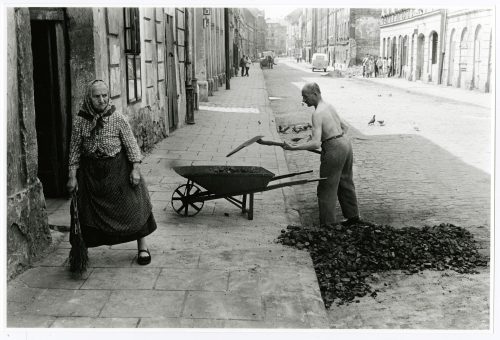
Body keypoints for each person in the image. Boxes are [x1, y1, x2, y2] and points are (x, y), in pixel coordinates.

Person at [67, 79, 157, 265]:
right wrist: (72, 176)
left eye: (104, 95)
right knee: (84, 212)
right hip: (91, 175)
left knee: (134, 206)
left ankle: (143, 247)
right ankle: (80, 251)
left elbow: (132, 146)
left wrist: (135, 170)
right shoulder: (80, 121)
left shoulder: (117, 118)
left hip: (118, 171)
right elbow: (74, 150)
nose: (101, 100)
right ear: (89, 98)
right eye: (96, 96)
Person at [282, 83, 361, 226]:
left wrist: (294, 147)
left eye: (305, 97)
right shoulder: (329, 106)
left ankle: (327, 225)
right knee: (346, 182)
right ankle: (353, 217)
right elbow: (345, 127)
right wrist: (333, 138)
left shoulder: (317, 113)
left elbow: (316, 144)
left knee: (326, 187)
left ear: (315, 94)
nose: (304, 101)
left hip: (334, 148)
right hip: (346, 144)